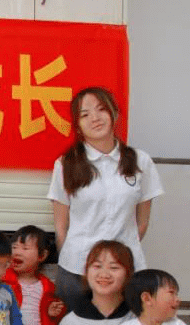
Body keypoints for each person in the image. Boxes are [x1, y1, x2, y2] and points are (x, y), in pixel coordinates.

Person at [48, 86, 163, 311]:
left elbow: (142, 222)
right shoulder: (65, 164)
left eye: (101, 109)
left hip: (126, 270)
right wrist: (74, 257)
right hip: (76, 270)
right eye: (85, 114)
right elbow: (61, 227)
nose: (95, 118)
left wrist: (120, 255)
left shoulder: (141, 161)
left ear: (114, 113)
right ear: (77, 125)